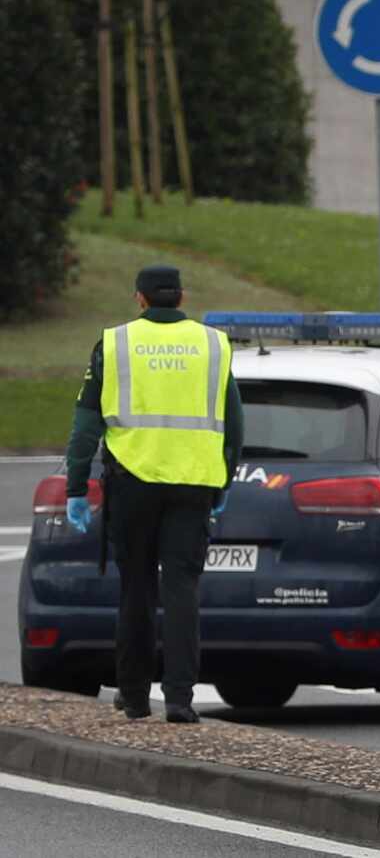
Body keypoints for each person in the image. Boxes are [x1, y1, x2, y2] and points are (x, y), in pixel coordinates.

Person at [64, 265, 244, 723]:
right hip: (193, 484)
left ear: (139, 299)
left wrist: (75, 486)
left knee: (137, 587)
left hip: (133, 482)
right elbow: (235, 421)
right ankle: (181, 699)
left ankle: (135, 696)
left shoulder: (116, 343)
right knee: (182, 587)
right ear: (181, 296)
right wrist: (223, 480)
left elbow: (86, 424)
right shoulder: (212, 344)